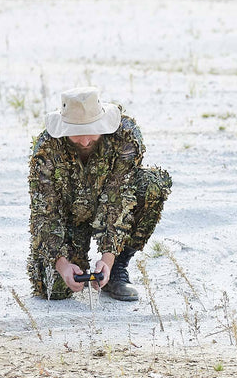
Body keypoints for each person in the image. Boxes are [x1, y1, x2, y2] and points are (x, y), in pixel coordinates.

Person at [27, 87, 171, 301]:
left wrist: (109, 258)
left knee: (153, 184)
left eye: (91, 132)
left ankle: (117, 269)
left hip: (110, 206)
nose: (85, 141)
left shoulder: (125, 136)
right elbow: (44, 213)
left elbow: (119, 198)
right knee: (54, 290)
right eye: (76, 134)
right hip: (70, 216)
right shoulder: (47, 147)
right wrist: (62, 264)